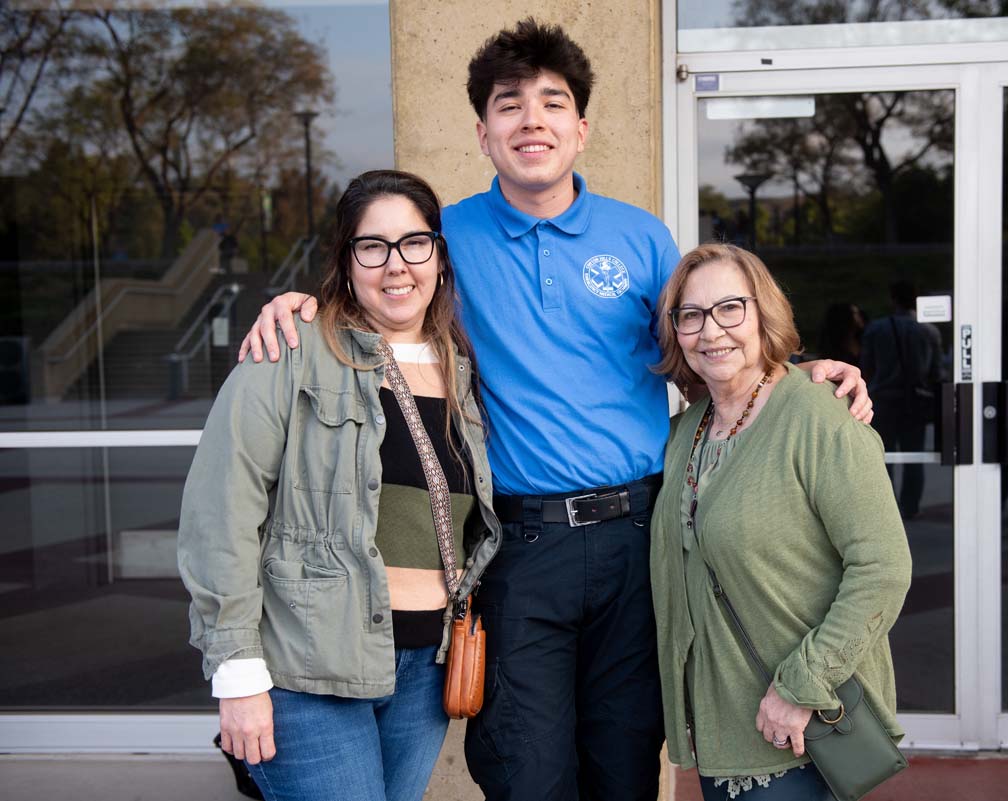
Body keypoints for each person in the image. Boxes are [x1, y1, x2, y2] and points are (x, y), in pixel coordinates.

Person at [236, 20, 872, 801]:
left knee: (624, 765)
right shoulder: (449, 238)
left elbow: (707, 351)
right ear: (483, 131)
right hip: (519, 546)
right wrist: (302, 305)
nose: (531, 120)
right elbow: (379, 293)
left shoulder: (640, 238)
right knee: (526, 771)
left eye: (552, 102)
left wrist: (798, 371)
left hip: (640, 542)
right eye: (509, 105)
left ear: (581, 127)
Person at [178, 170, 502, 801]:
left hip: (422, 668)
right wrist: (237, 672)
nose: (395, 265)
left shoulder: (462, 369)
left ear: (438, 255)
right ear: (346, 261)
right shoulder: (292, 349)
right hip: (306, 667)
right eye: (371, 247)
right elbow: (221, 509)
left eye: (414, 243)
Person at [650, 244, 912, 801]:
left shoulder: (820, 418)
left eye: (730, 308)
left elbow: (883, 568)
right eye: (691, 315)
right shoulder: (684, 432)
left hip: (798, 728)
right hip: (724, 728)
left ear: (764, 312)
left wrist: (803, 685)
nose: (711, 330)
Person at [860, 280, 943, 519]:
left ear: (893, 299)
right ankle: (911, 506)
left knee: (883, 456)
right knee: (914, 456)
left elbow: (867, 367)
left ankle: (886, 507)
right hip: (915, 400)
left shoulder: (877, 329)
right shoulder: (929, 331)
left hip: (883, 399)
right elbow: (936, 372)